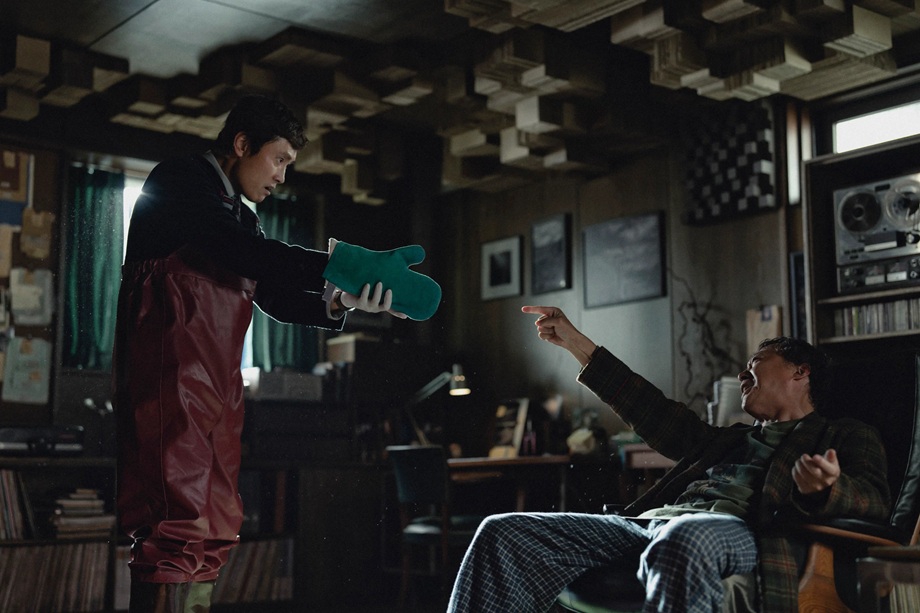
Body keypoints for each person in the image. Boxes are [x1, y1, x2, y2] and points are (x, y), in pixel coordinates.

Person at [113, 94, 407, 613]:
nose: (281, 177)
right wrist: (344, 264)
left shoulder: (241, 220)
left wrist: (344, 298)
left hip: (219, 388)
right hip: (169, 378)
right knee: (173, 522)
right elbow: (242, 253)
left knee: (216, 524)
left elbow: (273, 294)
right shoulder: (180, 181)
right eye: (278, 159)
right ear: (242, 143)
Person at [447, 305, 891, 613]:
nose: (742, 373)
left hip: (744, 534)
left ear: (800, 370)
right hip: (648, 526)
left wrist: (827, 488)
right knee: (503, 531)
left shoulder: (844, 434)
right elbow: (652, 411)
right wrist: (576, 344)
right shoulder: (726, 440)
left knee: (684, 536)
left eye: (757, 361)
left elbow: (874, 501)